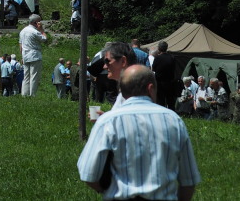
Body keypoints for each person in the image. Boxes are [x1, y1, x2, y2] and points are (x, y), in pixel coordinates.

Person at [77, 65, 201, 200]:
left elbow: (88, 174)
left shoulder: (107, 121)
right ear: (151, 88)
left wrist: (110, 192)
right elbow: (188, 180)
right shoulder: (173, 120)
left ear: (122, 92)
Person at [18, 14, 46, 97]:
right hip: (34, 54)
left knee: (26, 76)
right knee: (34, 76)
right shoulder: (35, 31)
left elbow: (20, 45)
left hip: (25, 55)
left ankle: (24, 94)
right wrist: (41, 30)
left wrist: (22, 56)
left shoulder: (23, 31)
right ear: (36, 22)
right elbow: (44, 39)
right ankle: (32, 94)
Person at [151, 41, 178, 109]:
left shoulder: (157, 58)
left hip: (160, 83)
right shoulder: (172, 58)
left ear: (159, 48)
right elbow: (174, 69)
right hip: (170, 82)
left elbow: (153, 69)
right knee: (170, 101)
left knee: (161, 101)